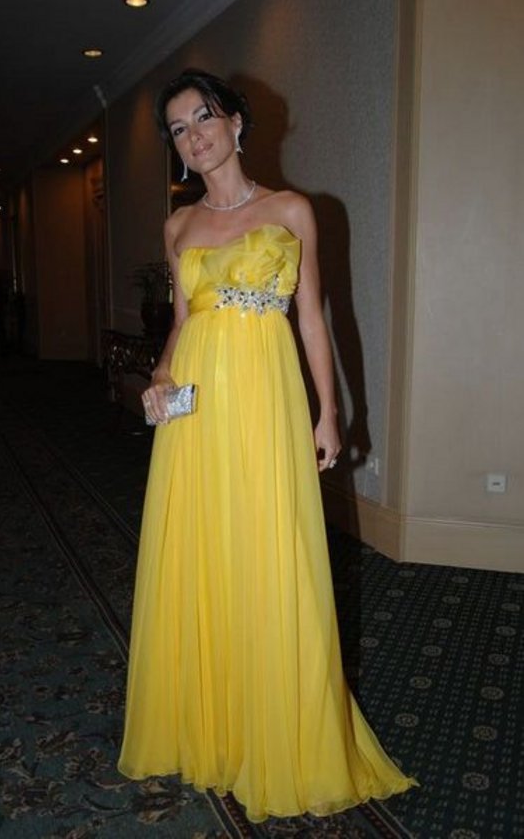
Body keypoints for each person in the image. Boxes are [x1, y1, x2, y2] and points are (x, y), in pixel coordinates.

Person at [118, 68, 417, 822]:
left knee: (269, 545)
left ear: (236, 122)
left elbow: (312, 317)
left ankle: (280, 728)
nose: (193, 135)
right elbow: (182, 324)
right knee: (204, 548)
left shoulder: (290, 210)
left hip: (265, 400)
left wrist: (329, 412)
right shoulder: (178, 226)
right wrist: (159, 374)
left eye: (203, 117)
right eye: (179, 128)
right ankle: (211, 723)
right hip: (195, 413)